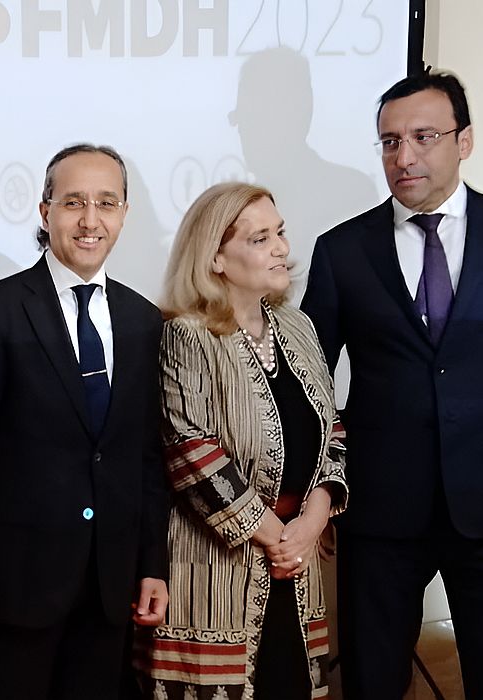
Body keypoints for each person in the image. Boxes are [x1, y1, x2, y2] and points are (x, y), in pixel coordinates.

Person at [300, 70, 483, 698]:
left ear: (465, 140)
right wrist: (320, 491)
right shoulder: (342, 250)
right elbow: (309, 385)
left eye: (424, 136)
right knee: (374, 676)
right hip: (377, 504)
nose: (405, 157)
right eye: (390, 141)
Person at [0, 144, 170, 700]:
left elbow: (144, 456)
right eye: (73, 203)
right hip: (15, 591)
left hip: (109, 590)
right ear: (45, 213)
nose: (91, 220)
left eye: (106, 203)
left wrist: (151, 564)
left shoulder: (142, 320)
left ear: (124, 214)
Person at [136, 183, 347, 699]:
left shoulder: (298, 327)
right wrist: (278, 536)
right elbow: (190, 449)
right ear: (216, 258)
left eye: (279, 233)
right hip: (214, 572)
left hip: (298, 567)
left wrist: (317, 514)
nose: (279, 247)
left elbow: (332, 429)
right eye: (259, 238)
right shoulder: (186, 334)